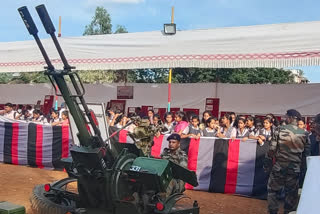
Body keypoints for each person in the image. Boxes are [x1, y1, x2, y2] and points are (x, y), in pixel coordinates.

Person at [265, 109, 310, 214]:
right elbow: (306, 155)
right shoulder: (305, 134)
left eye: (286, 117)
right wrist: (303, 170)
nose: (285, 119)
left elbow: (272, 149)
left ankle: (273, 211)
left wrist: (267, 163)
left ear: (290, 118)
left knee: (273, 190)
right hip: (295, 168)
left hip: (279, 166)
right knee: (291, 193)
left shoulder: (279, 129)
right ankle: (288, 212)